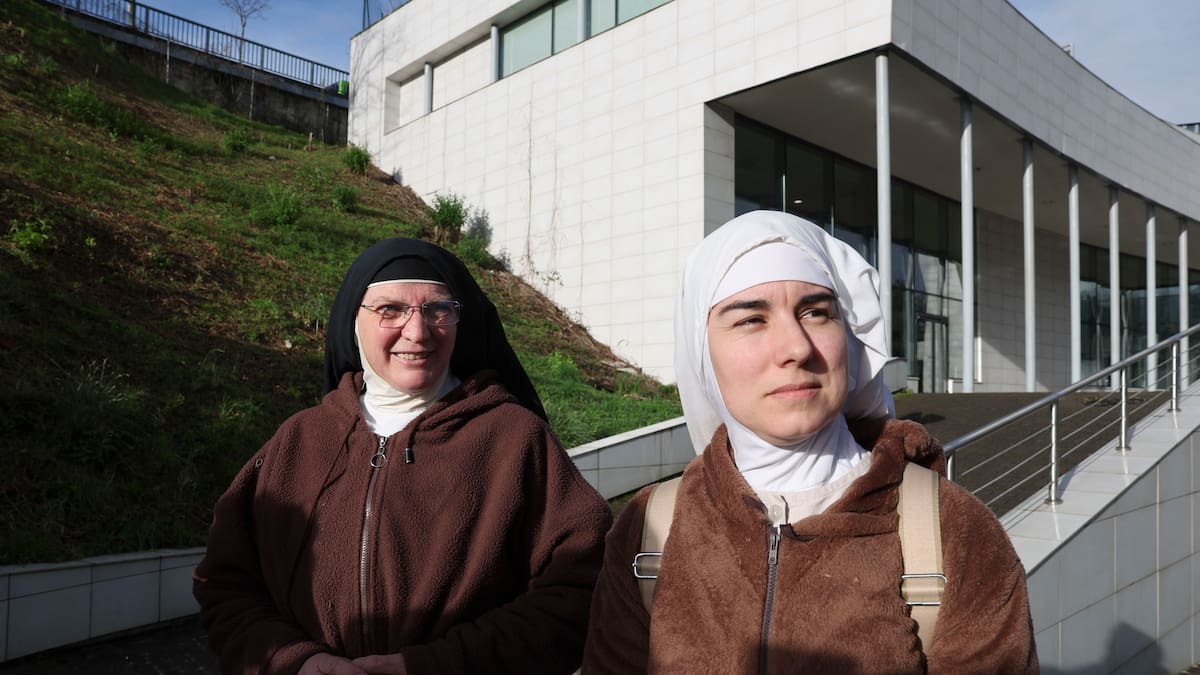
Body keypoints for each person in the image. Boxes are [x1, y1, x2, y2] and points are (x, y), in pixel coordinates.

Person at [582, 210, 1037, 673]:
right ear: (702, 354)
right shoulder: (649, 531)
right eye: (751, 320)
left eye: (816, 312)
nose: (796, 347)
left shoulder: (955, 531)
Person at [194, 237, 613, 675]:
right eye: (390, 310)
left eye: (438, 309)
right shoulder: (298, 441)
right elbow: (225, 585)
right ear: (352, 323)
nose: (417, 331)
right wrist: (294, 661)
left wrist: (441, 664)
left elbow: (582, 588)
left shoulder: (513, 440)